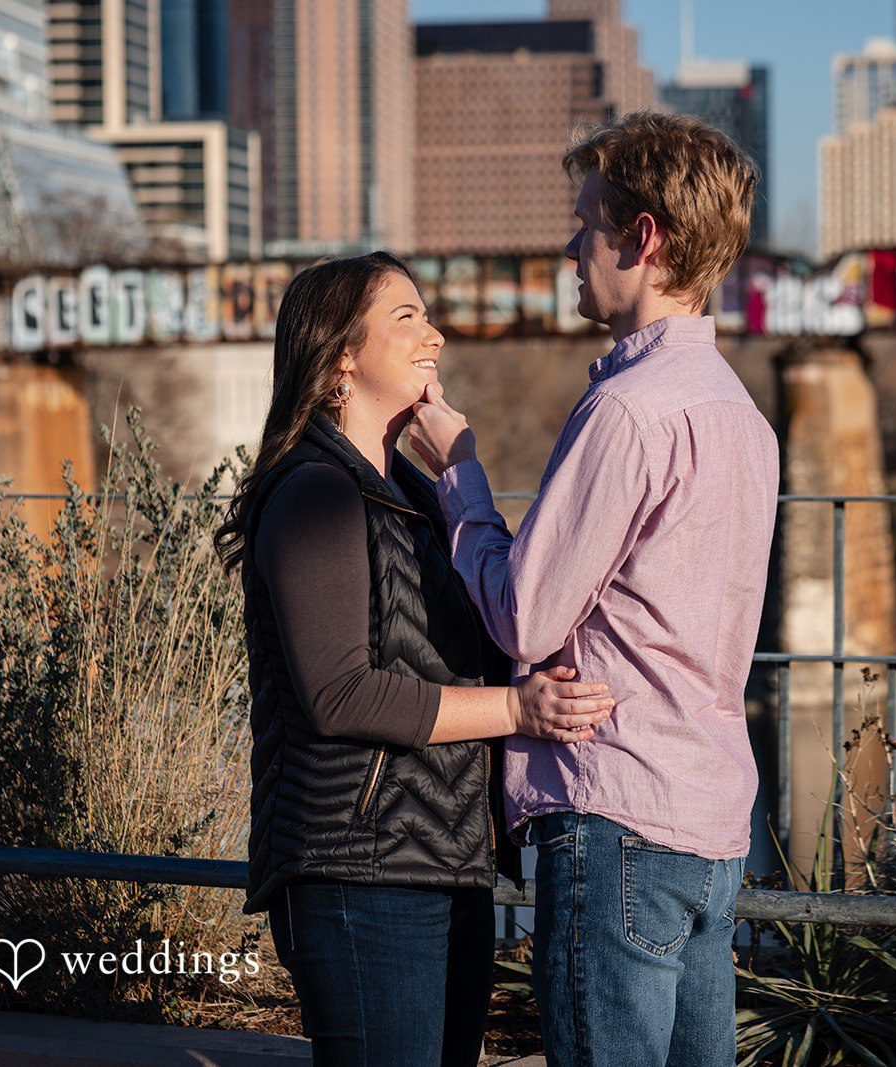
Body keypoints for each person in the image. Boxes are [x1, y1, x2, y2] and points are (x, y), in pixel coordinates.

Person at [407, 111, 780, 1066]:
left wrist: (460, 474)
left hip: (615, 817)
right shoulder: (742, 417)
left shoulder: (626, 410)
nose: (572, 247)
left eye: (586, 223)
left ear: (643, 238)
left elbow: (526, 615)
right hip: (713, 827)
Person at [213, 252, 617, 1067]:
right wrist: (518, 710)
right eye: (406, 317)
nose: (434, 333)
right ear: (340, 357)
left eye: (428, 314)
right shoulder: (315, 493)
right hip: (356, 865)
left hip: (446, 860)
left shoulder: (418, 496)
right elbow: (340, 693)